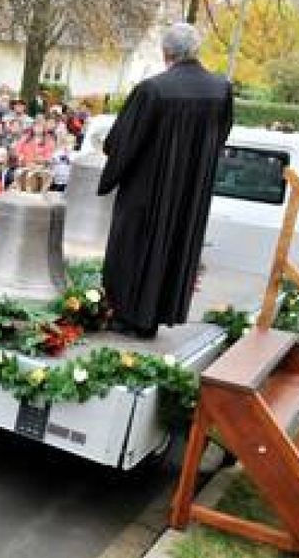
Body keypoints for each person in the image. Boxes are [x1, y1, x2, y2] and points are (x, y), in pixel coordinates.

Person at [98, 23, 233, 338]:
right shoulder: (220, 89)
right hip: (191, 193)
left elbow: (121, 143)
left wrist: (112, 168)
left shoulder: (153, 89)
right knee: (175, 245)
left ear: (165, 52)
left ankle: (125, 317)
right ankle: (155, 318)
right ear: (195, 50)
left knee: (132, 245)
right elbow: (221, 136)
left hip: (147, 190)